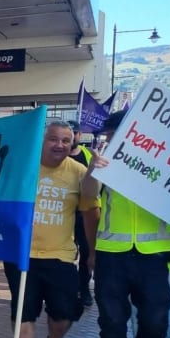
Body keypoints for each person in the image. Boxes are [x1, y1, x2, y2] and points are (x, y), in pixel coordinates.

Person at [84, 110, 170, 338]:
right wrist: (92, 172)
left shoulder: (169, 163)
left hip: (153, 257)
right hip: (112, 256)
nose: (113, 142)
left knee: (155, 321)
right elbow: (88, 198)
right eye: (110, 137)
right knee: (111, 322)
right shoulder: (105, 162)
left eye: (118, 135)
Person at [6, 121, 99, 338]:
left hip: (60, 255)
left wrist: (93, 253)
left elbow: (91, 208)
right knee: (23, 310)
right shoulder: (23, 166)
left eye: (65, 141)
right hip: (21, 253)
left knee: (65, 312)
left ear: (72, 145)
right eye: (53, 139)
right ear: (42, 140)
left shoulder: (79, 172)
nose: (59, 145)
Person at [66, 120, 95, 308]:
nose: (71, 137)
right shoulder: (54, 156)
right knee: (65, 254)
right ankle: (66, 288)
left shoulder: (88, 156)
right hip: (62, 214)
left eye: (74, 133)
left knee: (85, 253)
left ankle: (83, 288)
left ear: (79, 135)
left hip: (84, 214)